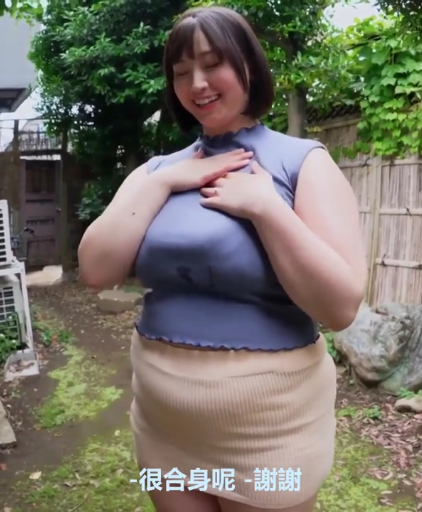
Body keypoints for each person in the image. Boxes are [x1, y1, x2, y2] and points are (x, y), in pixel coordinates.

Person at [77, 5, 366, 512]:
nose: (197, 83)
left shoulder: (303, 162)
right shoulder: (157, 172)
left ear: (248, 65)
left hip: (270, 437)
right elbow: (95, 270)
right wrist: (166, 181)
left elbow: (340, 306)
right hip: (164, 431)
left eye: (213, 64)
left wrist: (266, 209)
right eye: (182, 71)